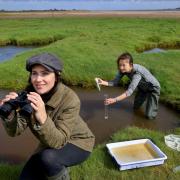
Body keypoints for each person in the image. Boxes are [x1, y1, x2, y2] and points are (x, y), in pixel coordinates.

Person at [0, 53, 95, 180]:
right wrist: (10, 114)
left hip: (78, 142)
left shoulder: (70, 99)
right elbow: (15, 132)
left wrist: (42, 116)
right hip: (48, 141)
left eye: (45, 73)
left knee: (49, 159)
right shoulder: (30, 95)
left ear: (56, 76)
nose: (38, 79)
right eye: (34, 73)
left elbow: (59, 142)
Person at [96, 52, 160, 120]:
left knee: (150, 116)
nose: (121, 67)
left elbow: (129, 92)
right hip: (142, 87)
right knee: (136, 107)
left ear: (131, 65)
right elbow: (114, 82)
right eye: (120, 65)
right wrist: (102, 82)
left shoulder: (137, 74)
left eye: (123, 65)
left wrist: (114, 100)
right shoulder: (122, 70)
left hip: (153, 88)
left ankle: (150, 121)